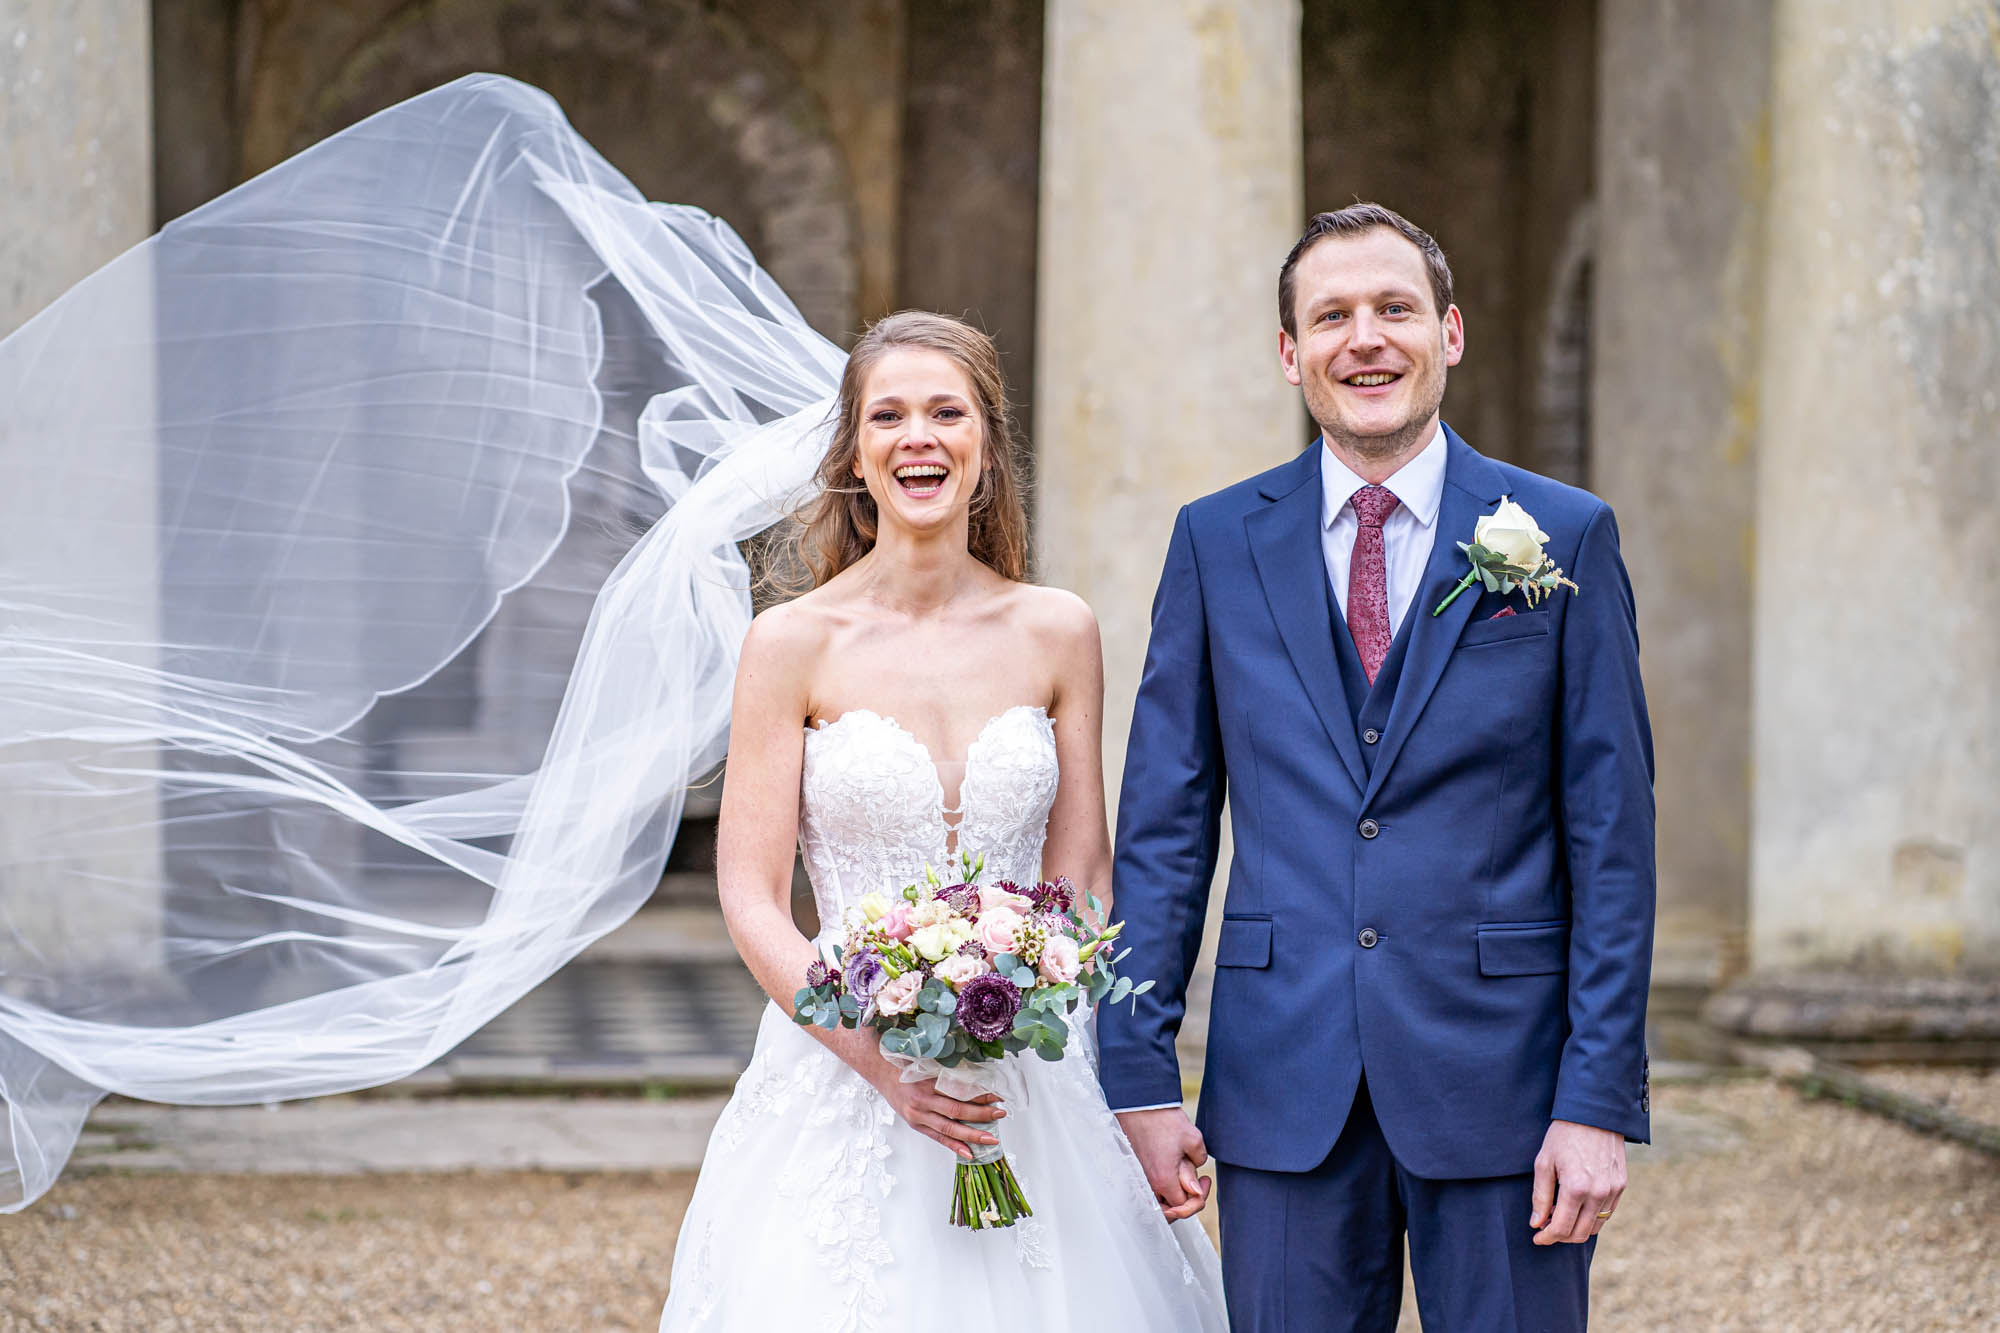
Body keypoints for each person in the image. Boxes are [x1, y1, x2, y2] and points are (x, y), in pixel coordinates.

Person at [1099, 204, 1656, 1331]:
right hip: (1280, 1083)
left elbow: (1612, 839)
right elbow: (1162, 826)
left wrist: (1596, 1099)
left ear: (1447, 333)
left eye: (1393, 309)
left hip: (1502, 1086)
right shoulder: (1214, 541)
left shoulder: (1563, 532)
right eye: (1331, 315)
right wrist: (1139, 1075)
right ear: (1288, 352)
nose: (1365, 338)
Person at [655, 311, 1226, 1331]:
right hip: (839, 1063)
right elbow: (749, 896)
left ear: (985, 447)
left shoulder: (1058, 628)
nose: (917, 435)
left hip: (1031, 1067)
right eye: (888, 415)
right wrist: (880, 1060)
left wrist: (1033, 986)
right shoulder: (789, 642)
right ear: (855, 455)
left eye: (944, 411)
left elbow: (1083, 868)